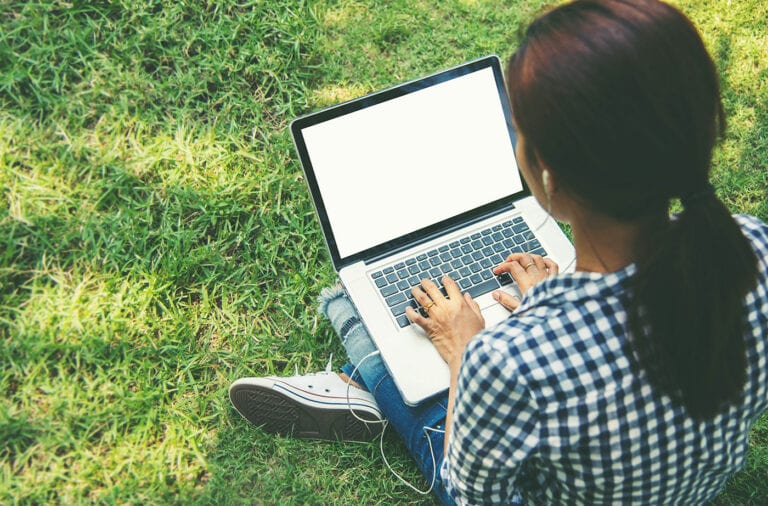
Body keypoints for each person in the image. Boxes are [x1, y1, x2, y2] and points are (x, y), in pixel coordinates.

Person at [229, 0, 768, 503]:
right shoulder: (753, 250)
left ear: (548, 175)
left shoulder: (508, 360)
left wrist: (465, 352)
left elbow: (472, 495)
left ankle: (363, 380)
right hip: (690, 485)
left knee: (378, 336)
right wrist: (553, 304)